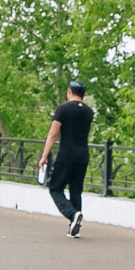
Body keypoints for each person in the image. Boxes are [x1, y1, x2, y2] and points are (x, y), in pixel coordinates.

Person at [36, 81, 96, 235]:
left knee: (55, 188)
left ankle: (72, 215)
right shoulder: (89, 112)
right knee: (76, 191)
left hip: (66, 155)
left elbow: (53, 134)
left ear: (69, 91)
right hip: (83, 155)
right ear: (84, 95)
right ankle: (74, 227)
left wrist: (44, 155)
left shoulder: (63, 109)